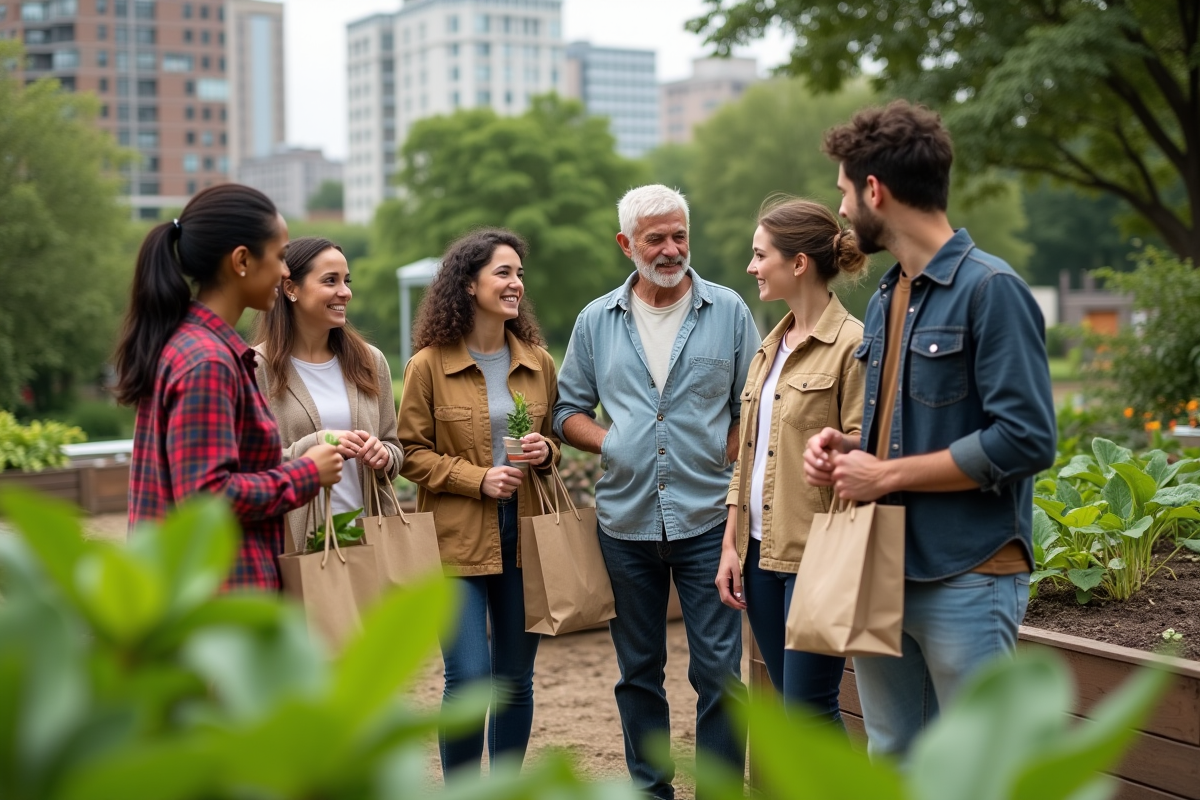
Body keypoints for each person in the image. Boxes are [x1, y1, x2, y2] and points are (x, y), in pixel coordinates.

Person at [804, 101, 1056, 759]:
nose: (842, 208)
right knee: (893, 756)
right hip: (884, 571)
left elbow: (1027, 439)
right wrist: (850, 453)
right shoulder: (890, 295)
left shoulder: (991, 290)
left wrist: (884, 475)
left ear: (875, 191)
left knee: (981, 771)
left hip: (969, 574)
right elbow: (910, 433)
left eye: (844, 191)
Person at [554, 185, 760, 799]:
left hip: (707, 523)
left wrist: (722, 454)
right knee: (638, 672)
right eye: (656, 239)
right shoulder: (596, 319)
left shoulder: (729, 312)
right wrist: (612, 443)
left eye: (679, 236)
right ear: (626, 245)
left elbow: (748, 408)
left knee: (720, 673)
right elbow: (567, 410)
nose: (671, 250)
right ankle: (652, 791)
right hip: (626, 524)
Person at [115, 184, 344, 591]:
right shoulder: (207, 360)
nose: (285, 271)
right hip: (214, 601)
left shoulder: (195, 346)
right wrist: (306, 473)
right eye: (278, 255)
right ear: (241, 260)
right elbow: (208, 496)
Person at [396, 228, 560, 779]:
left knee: (515, 681)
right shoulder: (427, 366)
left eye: (519, 273)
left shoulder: (538, 361)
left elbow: (554, 435)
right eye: (503, 273)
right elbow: (409, 453)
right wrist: (476, 479)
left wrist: (545, 449)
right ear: (468, 284)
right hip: (455, 541)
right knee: (467, 677)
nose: (516, 284)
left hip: (526, 537)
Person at [715, 197, 867, 725]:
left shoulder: (853, 344)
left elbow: (866, 447)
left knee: (810, 710)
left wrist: (843, 448)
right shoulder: (768, 348)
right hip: (758, 555)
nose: (752, 267)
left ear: (798, 263)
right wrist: (731, 543)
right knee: (789, 708)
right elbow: (747, 457)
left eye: (761, 256)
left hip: (818, 557)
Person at [251, 236, 403, 551]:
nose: (345, 292)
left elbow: (395, 446)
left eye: (346, 281)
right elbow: (251, 470)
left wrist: (384, 455)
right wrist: (313, 444)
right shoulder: (256, 367)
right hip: (300, 544)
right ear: (291, 288)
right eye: (330, 281)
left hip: (370, 540)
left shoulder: (370, 360)